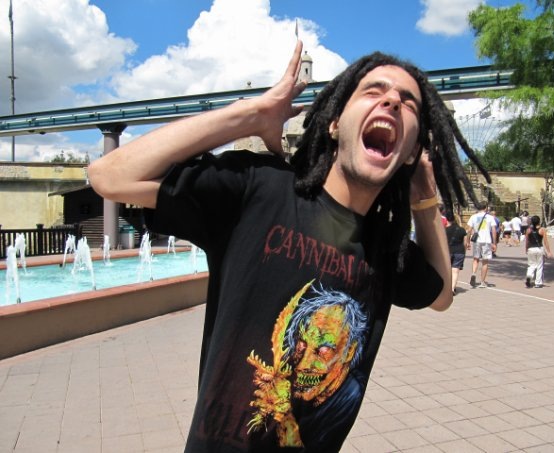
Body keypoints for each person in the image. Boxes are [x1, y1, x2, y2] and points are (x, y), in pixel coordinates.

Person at [88, 42, 489, 452]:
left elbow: (441, 294)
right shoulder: (260, 190)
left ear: (410, 151)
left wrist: (424, 197)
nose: (391, 101)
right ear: (334, 124)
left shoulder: (386, 248)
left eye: (408, 103)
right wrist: (251, 114)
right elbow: (110, 176)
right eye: (373, 91)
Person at [466, 201, 497, 288]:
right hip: (486, 240)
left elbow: (469, 230)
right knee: (485, 261)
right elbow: (493, 230)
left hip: (477, 240)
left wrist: (468, 241)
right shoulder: (490, 217)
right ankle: (482, 282)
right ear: (486, 207)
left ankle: (473, 273)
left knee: (476, 259)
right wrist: (494, 243)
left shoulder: (473, 217)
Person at [525, 215, 553, 288]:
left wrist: (526, 249)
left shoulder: (528, 230)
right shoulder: (542, 230)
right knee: (539, 266)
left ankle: (529, 278)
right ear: (539, 221)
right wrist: (549, 251)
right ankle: (538, 283)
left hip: (531, 249)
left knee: (531, 266)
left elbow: (527, 241)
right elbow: (545, 242)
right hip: (539, 248)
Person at [445, 213, 467, 295]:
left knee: (446, 270)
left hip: (448, 251)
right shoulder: (462, 230)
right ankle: (452, 288)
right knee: (455, 270)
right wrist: (464, 252)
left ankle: (445, 287)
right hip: (459, 251)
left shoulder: (445, 229)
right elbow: (465, 243)